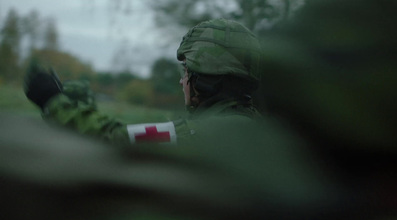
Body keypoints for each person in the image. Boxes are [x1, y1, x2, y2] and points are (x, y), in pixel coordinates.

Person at [24, 18, 262, 146]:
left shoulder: (196, 136)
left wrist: (52, 100)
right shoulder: (261, 129)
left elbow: (116, 138)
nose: (182, 83)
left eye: (186, 72)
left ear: (204, 81)